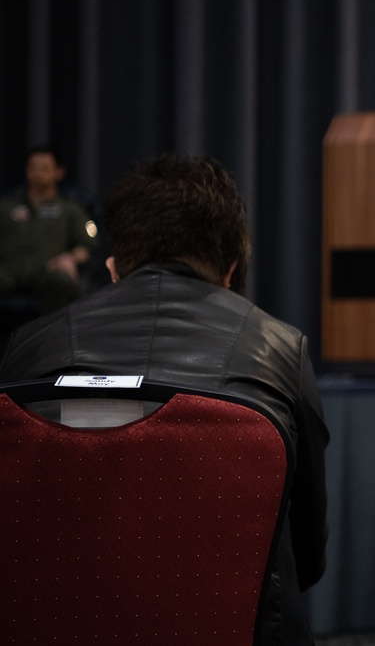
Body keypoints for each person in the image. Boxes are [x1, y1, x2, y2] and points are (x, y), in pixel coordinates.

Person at [0, 154, 329, 645]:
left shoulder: (26, 347)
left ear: (114, 270)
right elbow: (307, 551)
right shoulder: (282, 348)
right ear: (231, 271)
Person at [0, 146, 98, 314]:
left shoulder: (71, 210)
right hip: (9, 271)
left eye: (44, 168)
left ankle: (51, 335)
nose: (38, 172)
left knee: (63, 281)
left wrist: (71, 257)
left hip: (47, 270)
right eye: (33, 167)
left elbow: (88, 244)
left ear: (59, 172)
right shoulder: (6, 207)